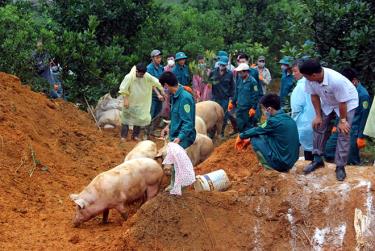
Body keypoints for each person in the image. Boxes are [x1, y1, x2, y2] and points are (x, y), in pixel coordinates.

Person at [300, 59, 359, 181]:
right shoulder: (310, 79)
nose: (304, 78)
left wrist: (342, 121)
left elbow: (342, 102)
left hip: (347, 102)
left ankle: (340, 166)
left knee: (344, 132)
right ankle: (317, 160)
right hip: (328, 101)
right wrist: (318, 116)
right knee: (319, 126)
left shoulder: (336, 80)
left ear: (314, 75)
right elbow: (314, 95)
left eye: (306, 76)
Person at [235, 93, 299, 172]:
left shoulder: (273, 121)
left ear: (269, 109)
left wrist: (241, 136)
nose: (263, 111)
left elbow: (257, 130)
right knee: (263, 135)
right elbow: (266, 133)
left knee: (254, 138)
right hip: (291, 162)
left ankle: (269, 168)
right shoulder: (289, 119)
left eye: (263, 109)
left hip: (282, 164)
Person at [324, 68, 370, 165]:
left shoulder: (363, 95)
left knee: (351, 160)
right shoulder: (344, 90)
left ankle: (354, 177)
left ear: (353, 81)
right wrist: (336, 125)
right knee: (328, 151)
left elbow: (364, 117)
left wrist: (361, 136)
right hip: (341, 126)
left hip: (354, 130)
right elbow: (339, 108)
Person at [118, 63, 165, 141]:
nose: (142, 75)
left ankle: (135, 136)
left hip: (141, 102)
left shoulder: (146, 76)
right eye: (140, 74)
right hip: (129, 101)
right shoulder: (129, 77)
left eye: (143, 74)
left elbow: (156, 81)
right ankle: (124, 136)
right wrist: (126, 99)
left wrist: (162, 90)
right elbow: (123, 89)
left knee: (139, 119)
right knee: (126, 119)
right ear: (136, 71)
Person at [159, 71, 196, 149]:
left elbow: (188, 122)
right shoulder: (174, 96)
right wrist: (168, 127)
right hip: (175, 135)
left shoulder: (185, 98)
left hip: (184, 139)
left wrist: (180, 137)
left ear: (166, 85)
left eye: (163, 87)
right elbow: (177, 117)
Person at [290, 60, 315, 161]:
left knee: (306, 150)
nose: (293, 74)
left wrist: (292, 122)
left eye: (295, 71)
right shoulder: (313, 83)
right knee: (312, 150)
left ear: (303, 71)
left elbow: (296, 108)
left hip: (303, 124)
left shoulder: (300, 87)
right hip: (315, 122)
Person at [209, 56, 236, 137]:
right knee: (213, 116)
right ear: (218, 64)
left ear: (226, 65)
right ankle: (212, 133)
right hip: (214, 98)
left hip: (224, 99)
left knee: (223, 116)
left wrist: (232, 100)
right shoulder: (213, 72)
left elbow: (232, 87)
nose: (222, 67)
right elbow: (207, 83)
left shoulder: (230, 74)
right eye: (220, 65)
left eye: (223, 65)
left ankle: (221, 133)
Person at [230, 63, 262, 132]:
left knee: (248, 127)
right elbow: (236, 92)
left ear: (246, 72)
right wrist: (232, 102)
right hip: (240, 108)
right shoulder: (239, 80)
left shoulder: (253, 82)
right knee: (240, 125)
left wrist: (253, 108)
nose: (239, 74)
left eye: (240, 72)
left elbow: (256, 95)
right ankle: (241, 138)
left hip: (248, 109)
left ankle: (248, 140)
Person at [147, 49, 165, 136]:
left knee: (158, 113)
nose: (159, 59)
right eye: (157, 57)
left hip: (160, 95)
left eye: (160, 57)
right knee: (151, 113)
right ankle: (146, 132)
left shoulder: (161, 68)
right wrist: (158, 94)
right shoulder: (149, 68)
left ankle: (152, 131)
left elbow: (162, 82)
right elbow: (151, 83)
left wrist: (163, 92)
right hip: (152, 95)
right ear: (152, 58)